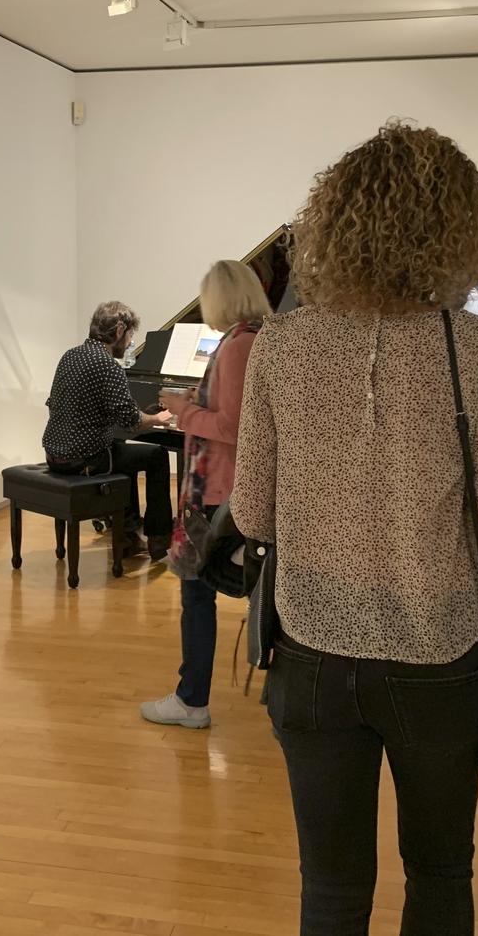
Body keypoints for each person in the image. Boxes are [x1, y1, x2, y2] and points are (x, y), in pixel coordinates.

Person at [233, 120, 478, 935]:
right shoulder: (471, 349)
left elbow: (252, 510)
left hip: (312, 648)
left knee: (330, 887)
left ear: (331, 222)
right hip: (440, 651)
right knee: (439, 871)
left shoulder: (282, 345)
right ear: (457, 232)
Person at [139, 260, 272, 729]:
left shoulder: (237, 347)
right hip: (235, 487)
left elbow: (232, 427)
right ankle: (276, 702)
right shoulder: (255, 338)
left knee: (198, 596)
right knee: (258, 595)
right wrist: (195, 404)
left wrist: (182, 410)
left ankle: (191, 699)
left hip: (219, 490)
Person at [43, 300, 174, 559]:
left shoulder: (70, 355)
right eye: (129, 336)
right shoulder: (107, 365)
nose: (128, 343)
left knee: (120, 450)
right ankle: (159, 538)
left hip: (54, 454)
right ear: (118, 331)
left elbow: (54, 405)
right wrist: (159, 417)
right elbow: (132, 422)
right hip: (83, 460)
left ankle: (127, 534)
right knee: (157, 456)